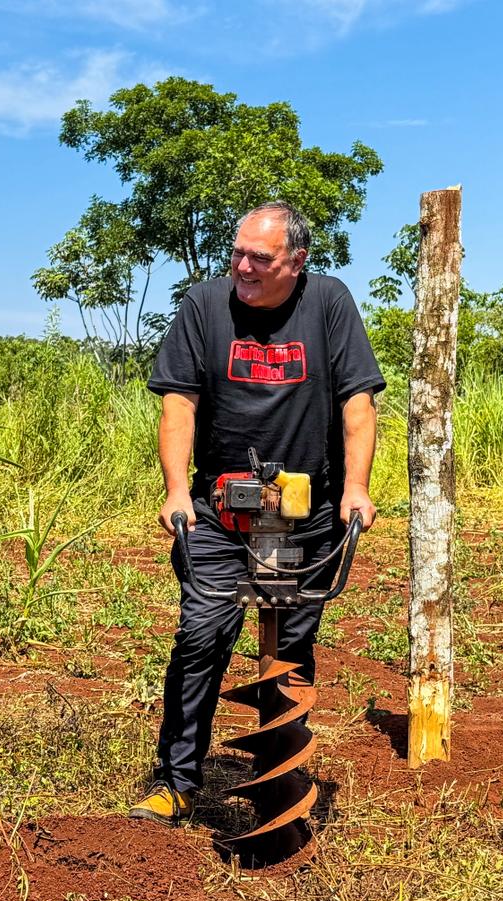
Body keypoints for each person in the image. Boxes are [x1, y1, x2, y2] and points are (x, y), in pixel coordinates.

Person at [129, 201, 385, 824]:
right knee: (202, 635)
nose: (242, 266)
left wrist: (357, 486)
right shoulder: (205, 306)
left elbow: (358, 402)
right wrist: (173, 490)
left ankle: (279, 779)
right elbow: (179, 406)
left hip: (306, 509)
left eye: (259, 258)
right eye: (237, 252)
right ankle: (178, 780)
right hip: (221, 508)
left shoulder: (328, 303)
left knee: (291, 647)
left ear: (296, 262)